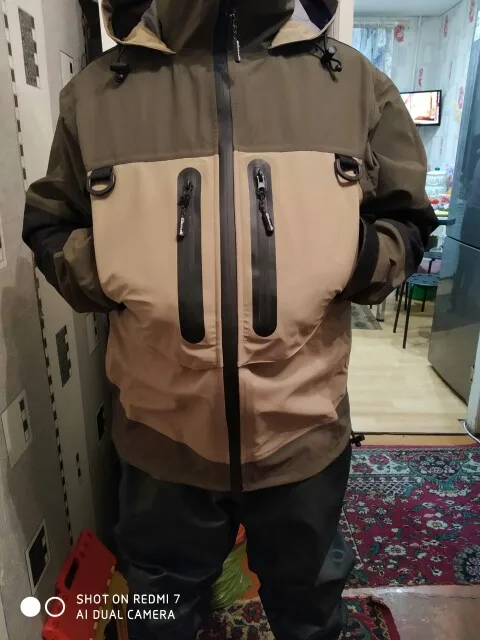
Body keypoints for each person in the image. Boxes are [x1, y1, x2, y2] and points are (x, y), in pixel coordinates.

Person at [23, 1, 438, 638]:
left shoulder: (354, 84)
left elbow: (406, 218)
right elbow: (51, 223)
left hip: (302, 433)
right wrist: (109, 268)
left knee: (310, 612)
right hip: (161, 435)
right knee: (159, 617)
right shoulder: (99, 93)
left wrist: (357, 257)